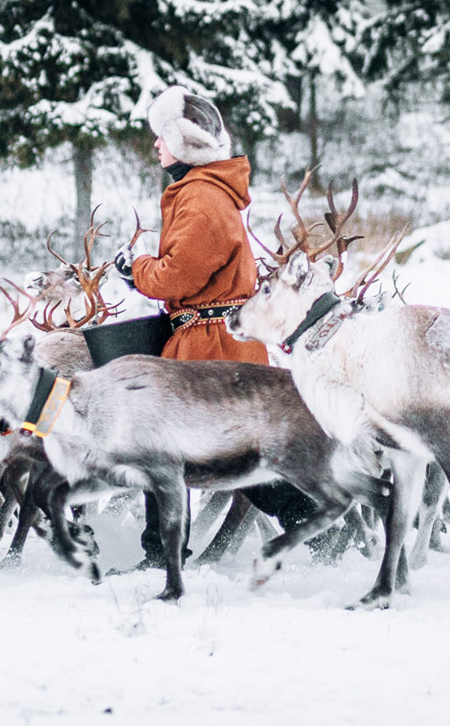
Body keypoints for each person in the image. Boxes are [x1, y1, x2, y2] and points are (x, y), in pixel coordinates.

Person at [114, 86, 316, 566]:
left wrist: (137, 267)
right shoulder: (199, 193)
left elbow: (178, 274)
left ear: (184, 142)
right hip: (205, 342)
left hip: (211, 348)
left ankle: (163, 555)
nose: (156, 146)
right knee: (233, 455)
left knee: (185, 450)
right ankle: (319, 520)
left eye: (161, 136)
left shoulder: (202, 199)